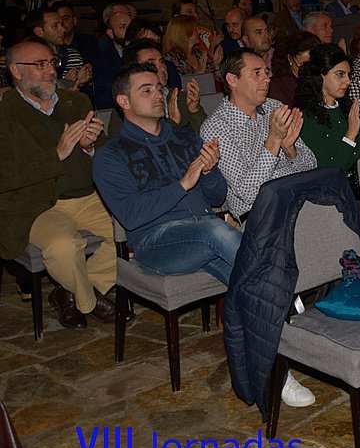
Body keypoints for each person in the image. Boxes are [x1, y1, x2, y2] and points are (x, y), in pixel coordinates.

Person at [0, 38, 117, 330]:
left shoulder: (76, 101)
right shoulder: (5, 114)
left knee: (137, 228)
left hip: (90, 197)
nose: (51, 70)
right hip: (40, 205)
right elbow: (6, 174)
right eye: (40, 65)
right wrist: (57, 154)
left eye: (52, 63)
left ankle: (71, 292)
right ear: (16, 70)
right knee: (63, 247)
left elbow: (106, 152)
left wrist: (90, 146)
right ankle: (90, 301)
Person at [93, 62, 239, 284]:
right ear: (124, 101)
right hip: (155, 242)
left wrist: (209, 172)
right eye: (146, 90)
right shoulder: (111, 155)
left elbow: (217, 198)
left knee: (248, 281)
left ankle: (282, 305)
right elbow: (131, 215)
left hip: (203, 230)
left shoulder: (186, 138)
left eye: (159, 88)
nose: (158, 95)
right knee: (218, 232)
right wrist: (181, 185)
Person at [200, 48, 317, 221]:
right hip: (261, 215)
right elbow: (249, 193)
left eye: (266, 72)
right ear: (233, 80)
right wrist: (274, 140)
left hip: (299, 198)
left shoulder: (274, 107)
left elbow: (311, 166)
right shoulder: (217, 127)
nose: (266, 79)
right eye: (256, 73)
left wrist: (290, 149)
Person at [295, 44, 360, 173]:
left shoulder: (346, 109)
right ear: (319, 76)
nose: (348, 81)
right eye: (340, 74)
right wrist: (350, 135)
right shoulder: (305, 118)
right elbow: (328, 172)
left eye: (348, 75)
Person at [109, 39, 206, 134]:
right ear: (135, 69)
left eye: (162, 61)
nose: (162, 68)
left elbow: (208, 138)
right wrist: (173, 125)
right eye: (151, 63)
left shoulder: (180, 98)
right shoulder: (127, 105)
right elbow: (120, 142)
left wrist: (194, 110)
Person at [267, 31, 320, 107]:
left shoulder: (322, 78)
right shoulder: (277, 87)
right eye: (303, 64)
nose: (310, 68)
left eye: (314, 63)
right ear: (290, 59)